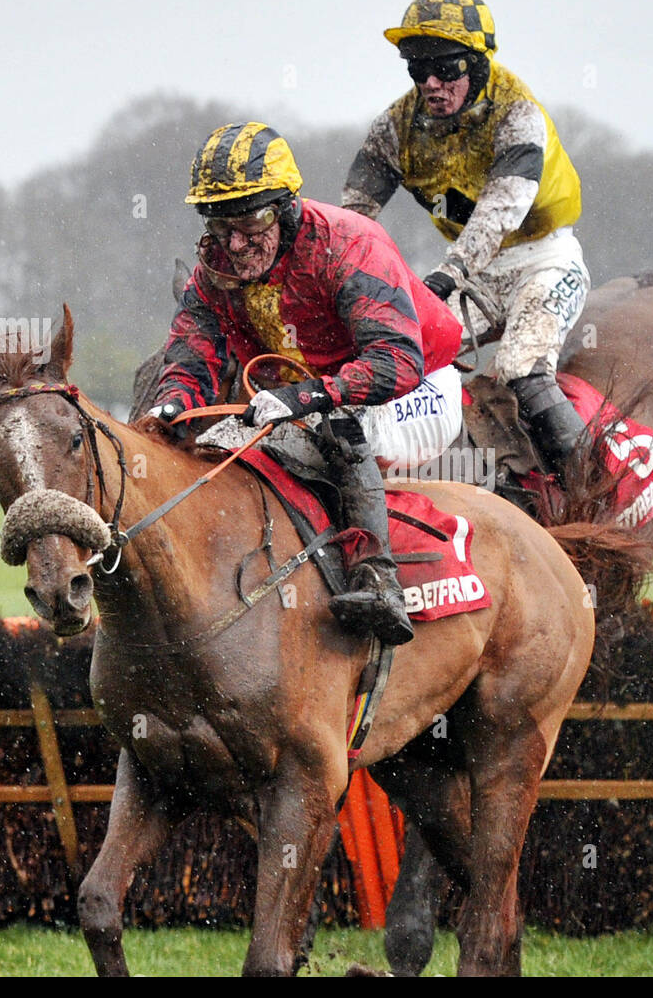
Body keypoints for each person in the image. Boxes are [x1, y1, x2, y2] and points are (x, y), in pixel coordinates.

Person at [142, 122, 465, 645]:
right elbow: (190, 351)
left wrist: (304, 397)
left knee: (333, 423)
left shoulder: (348, 243)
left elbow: (395, 360)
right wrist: (171, 403)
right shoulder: (215, 268)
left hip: (418, 386)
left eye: (252, 222)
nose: (238, 244)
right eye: (222, 226)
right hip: (316, 387)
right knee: (217, 436)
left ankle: (377, 578)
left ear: (286, 206)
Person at [342, 0, 589, 477]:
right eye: (418, 70)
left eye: (446, 68)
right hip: (474, 274)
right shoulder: (394, 128)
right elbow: (352, 220)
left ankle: (595, 491)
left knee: (521, 369)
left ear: (478, 64)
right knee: (403, 358)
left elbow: (500, 212)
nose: (431, 83)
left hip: (543, 260)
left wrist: (445, 274)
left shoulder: (518, 112)